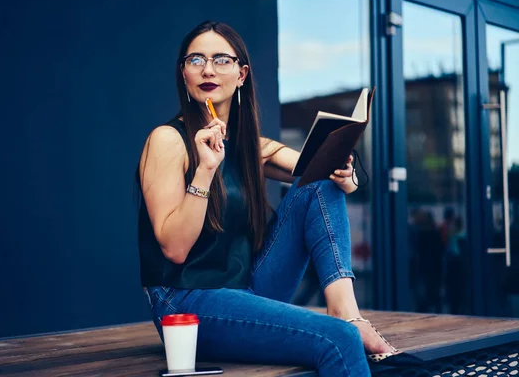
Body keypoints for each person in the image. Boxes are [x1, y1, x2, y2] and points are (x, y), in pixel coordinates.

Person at [136, 20, 421, 376]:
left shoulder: (250, 146)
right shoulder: (168, 140)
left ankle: (347, 312)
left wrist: (343, 172)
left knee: (318, 181)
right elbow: (174, 249)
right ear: (184, 73)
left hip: (247, 289)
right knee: (339, 340)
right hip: (187, 302)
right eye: (196, 60)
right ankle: (347, 328)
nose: (208, 69)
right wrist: (205, 170)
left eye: (221, 60)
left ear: (241, 75)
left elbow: (319, 172)